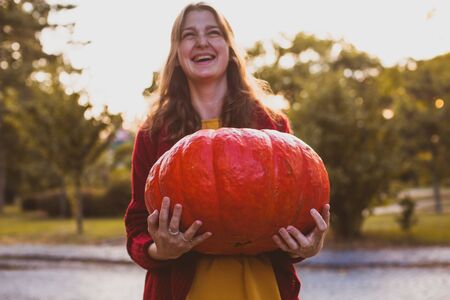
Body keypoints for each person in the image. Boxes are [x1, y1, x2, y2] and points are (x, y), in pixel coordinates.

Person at [124, 2, 330, 300]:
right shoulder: (153, 132)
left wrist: (307, 244)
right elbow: (136, 226)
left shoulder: (271, 124)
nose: (202, 42)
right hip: (181, 290)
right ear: (177, 55)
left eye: (213, 33)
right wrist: (160, 250)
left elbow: (293, 208)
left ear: (231, 49)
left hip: (260, 289)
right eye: (189, 35)